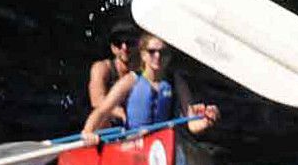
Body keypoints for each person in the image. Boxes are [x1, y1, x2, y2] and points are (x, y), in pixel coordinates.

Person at [80, 35, 218, 143]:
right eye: (152, 51)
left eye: (163, 52)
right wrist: (88, 131)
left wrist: (206, 120)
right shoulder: (130, 80)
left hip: (163, 146)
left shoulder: (177, 82)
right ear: (143, 55)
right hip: (134, 143)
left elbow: (193, 124)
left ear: (169, 56)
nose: (157, 56)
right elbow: (102, 110)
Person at [86, 21, 137, 125]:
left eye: (129, 42)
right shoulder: (101, 68)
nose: (124, 47)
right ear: (112, 48)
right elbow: (97, 101)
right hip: (109, 130)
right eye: (118, 43)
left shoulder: (144, 69)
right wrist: (119, 112)